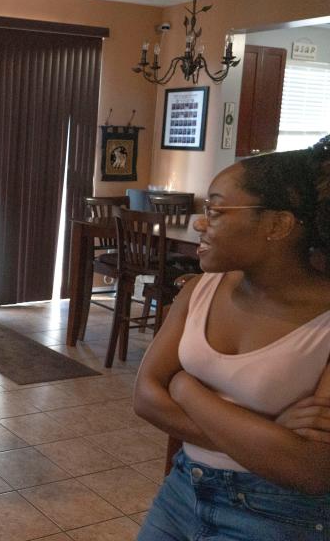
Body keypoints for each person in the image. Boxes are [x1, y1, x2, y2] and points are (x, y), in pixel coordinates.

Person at [133, 136, 330, 540]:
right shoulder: (202, 289)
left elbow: (310, 471)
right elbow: (145, 397)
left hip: (280, 513)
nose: (199, 223)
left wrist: (184, 386)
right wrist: (268, 436)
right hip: (184, 488)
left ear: (278, 224)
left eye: (216, 210)